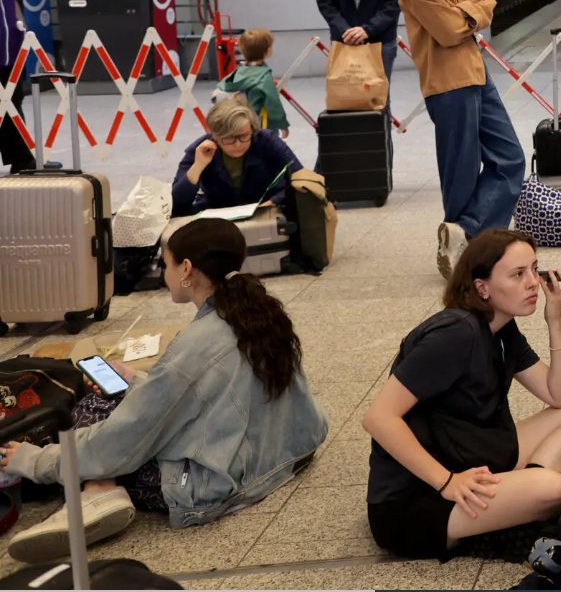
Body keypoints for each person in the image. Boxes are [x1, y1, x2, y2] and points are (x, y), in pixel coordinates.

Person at [0, 218, 326, 561]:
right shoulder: (257, 313)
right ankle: (98, 490)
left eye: (165, 263)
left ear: (186, 268)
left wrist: (37, 460)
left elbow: (128, 435)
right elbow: (207, 389)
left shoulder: (196, 345)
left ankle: (96, 491)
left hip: (217, 484)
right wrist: (141, 382)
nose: (163, 272)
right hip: (291, 450)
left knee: (92, 409)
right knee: (124, 400)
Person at [363, 229, 561, 560]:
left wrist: (554, 318)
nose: (533, 282)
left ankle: (515, 505)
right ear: (482, 287)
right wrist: (447, 482)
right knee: (556, 489)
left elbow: (560, 397)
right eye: (518, 274)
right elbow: (378, 418)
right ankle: (515, 507)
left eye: (534, 269)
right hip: (415, 499)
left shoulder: (500, 326)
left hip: (468, 458)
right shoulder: (454, 334)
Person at [399, 0, 524, 279]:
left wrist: (472, 11)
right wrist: (475, 10)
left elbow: (483, 7)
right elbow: (451, 30)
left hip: (476, 73)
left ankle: (465, 233)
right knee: (462, 169)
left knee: (510, 158)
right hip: (448, 82)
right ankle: (461, 248)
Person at [172, 97, 302, 216]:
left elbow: (304, 181)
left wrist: (275, 201)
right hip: (219, 214)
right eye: (229, 138)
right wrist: (198, 166)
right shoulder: (200, 149)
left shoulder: (267, 141)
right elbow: (176, 205)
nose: (238, 144)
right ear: (215, 136)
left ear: (252, 129)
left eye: (244, 136)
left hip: (267, 210)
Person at [215, 28, 289, 137]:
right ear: (268, 51)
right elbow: (272, 103)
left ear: (240, 49)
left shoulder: (236, 73)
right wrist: (282, 124)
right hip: (259, 125)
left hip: (236, 122)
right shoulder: (263, 77)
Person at [0, 0, 35, 173]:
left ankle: (21, 160)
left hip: (11, 47)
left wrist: (25, 31)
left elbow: (11, 1)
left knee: (14, 100)